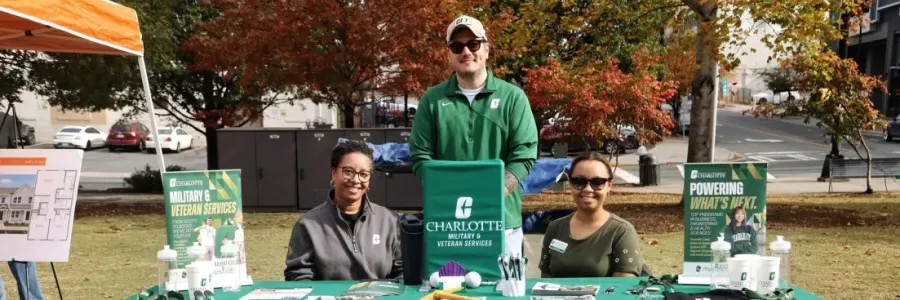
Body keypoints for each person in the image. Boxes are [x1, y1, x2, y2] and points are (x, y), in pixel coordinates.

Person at [408, 15, 538, 256]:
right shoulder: (432, 100)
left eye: (474, 44)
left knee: (503, 292)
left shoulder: (513, 97)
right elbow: (420, 156)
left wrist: (489, 195)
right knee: (448, 291)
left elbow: (524, 155)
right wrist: (452, 192)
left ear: (486, 50)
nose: (466, 51)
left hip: (502, 223)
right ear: (449, 54)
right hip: (447, 224)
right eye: (457, 46)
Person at [284, 140, 403, 281]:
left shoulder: (389, 221)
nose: (356, 180)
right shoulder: (308, 225)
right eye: (348, 172)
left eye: (363, 174)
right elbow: (299, 276)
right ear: (334, 173)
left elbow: (402, 272)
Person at [538, 152, 643, 278]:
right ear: (570, 184)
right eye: (579, 181)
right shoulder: (555, 228)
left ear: (609, 186)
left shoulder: (621, 231)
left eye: (597, 182)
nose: (588, 189)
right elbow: (545, 284)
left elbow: (623, 289)